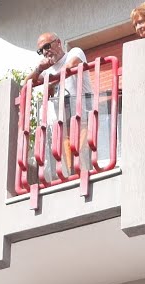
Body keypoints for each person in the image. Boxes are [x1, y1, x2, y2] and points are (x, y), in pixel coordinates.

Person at [27, 32, 89, 179]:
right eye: (40, 50)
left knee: (83, 155)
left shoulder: (74, 52)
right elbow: (26, 83)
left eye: (47, 46)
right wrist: (39, 69)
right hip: (64, 124)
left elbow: (69, 67)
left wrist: (50, 83)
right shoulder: (48, 71)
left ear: (58, 43)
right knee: (71, 167)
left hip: (83, 116)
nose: (45, 52)